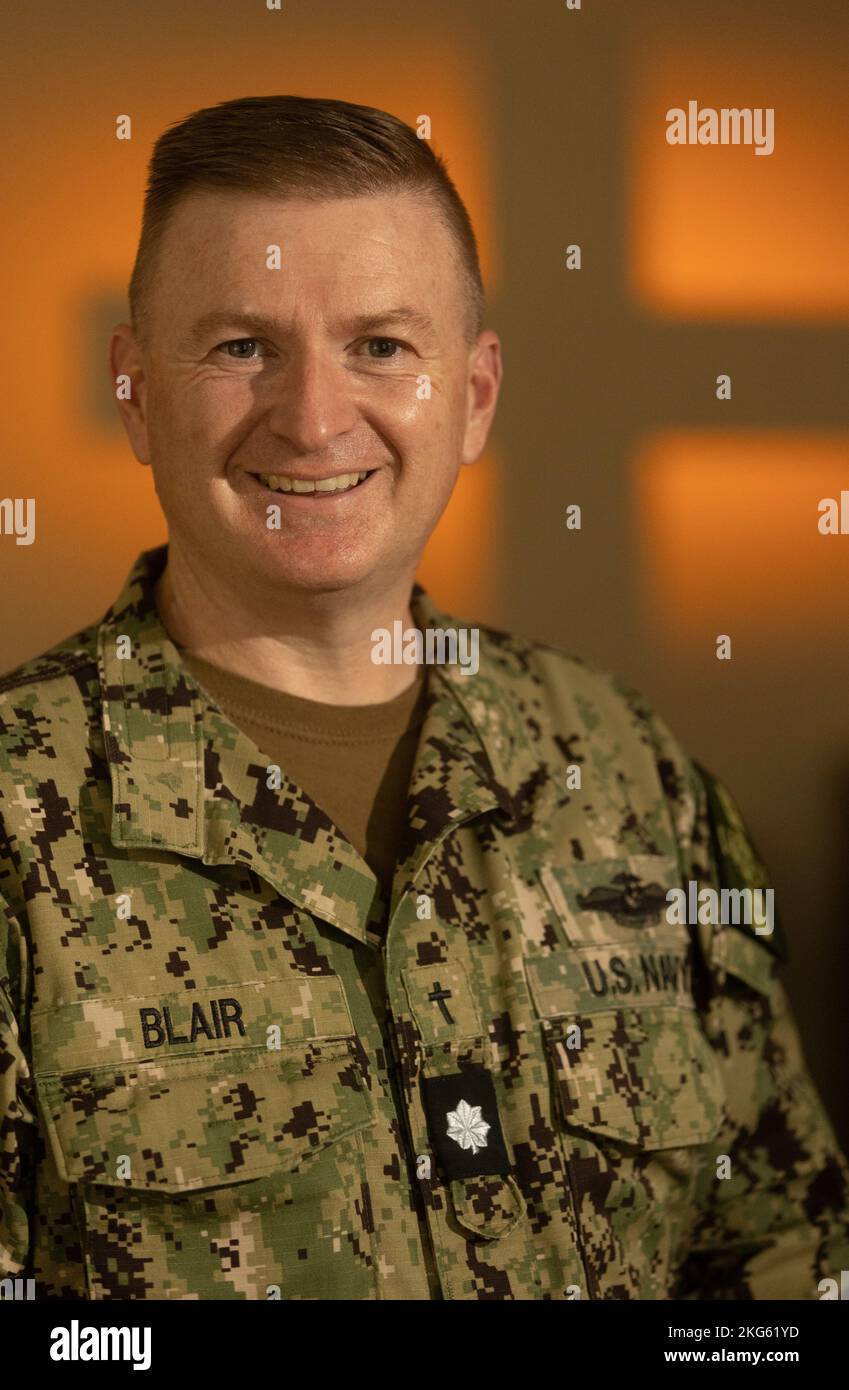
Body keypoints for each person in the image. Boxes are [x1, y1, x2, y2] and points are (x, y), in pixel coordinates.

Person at [0, 94, 846, 1301]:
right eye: (243, 346)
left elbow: (783, 1250)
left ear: (477, 394)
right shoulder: (18, 813)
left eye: (382, 346)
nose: (313, 418)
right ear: (135, 390)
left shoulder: (622, 767)